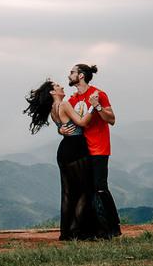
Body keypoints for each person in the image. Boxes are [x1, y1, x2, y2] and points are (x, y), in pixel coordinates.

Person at [23, 79, 99, 241]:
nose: (62, 86)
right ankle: (76, 230)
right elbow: (82, 122)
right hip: (76, 148)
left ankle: (66, 233)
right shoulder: (63, 105)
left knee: (67, 193)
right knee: (86, 190)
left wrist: (60, 129)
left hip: (64, 149)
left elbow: (64, 125)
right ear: (52, 92)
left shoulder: (53, 109)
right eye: (57, 86)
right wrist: (93, 105)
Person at [65, 63, 123, 238]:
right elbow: (65, 121)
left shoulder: (98, 94)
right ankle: (96, 228)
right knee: (88, 189)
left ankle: (113, 227)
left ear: (81, 76)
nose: (69, 76)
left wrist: (97, 106)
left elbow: (111, 119)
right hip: (84, 150)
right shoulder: (73, 100)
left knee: (100, 188)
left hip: (99, 147)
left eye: (72, 73)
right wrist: (60, 129)